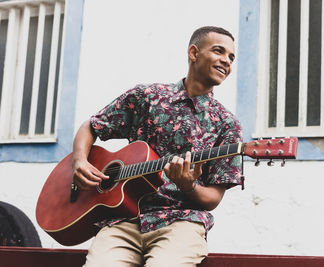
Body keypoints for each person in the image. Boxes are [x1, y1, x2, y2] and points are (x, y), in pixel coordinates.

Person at [72, 26, 243, 267]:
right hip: (123, 221)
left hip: (181, 224)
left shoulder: (227, 124)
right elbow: (91, 127)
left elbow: (213, 197)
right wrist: (79, 160)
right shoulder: (147, 96)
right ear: (194, 53)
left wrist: (189, 186)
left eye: (231, 57)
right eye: (219, 51)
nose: (226, 61)